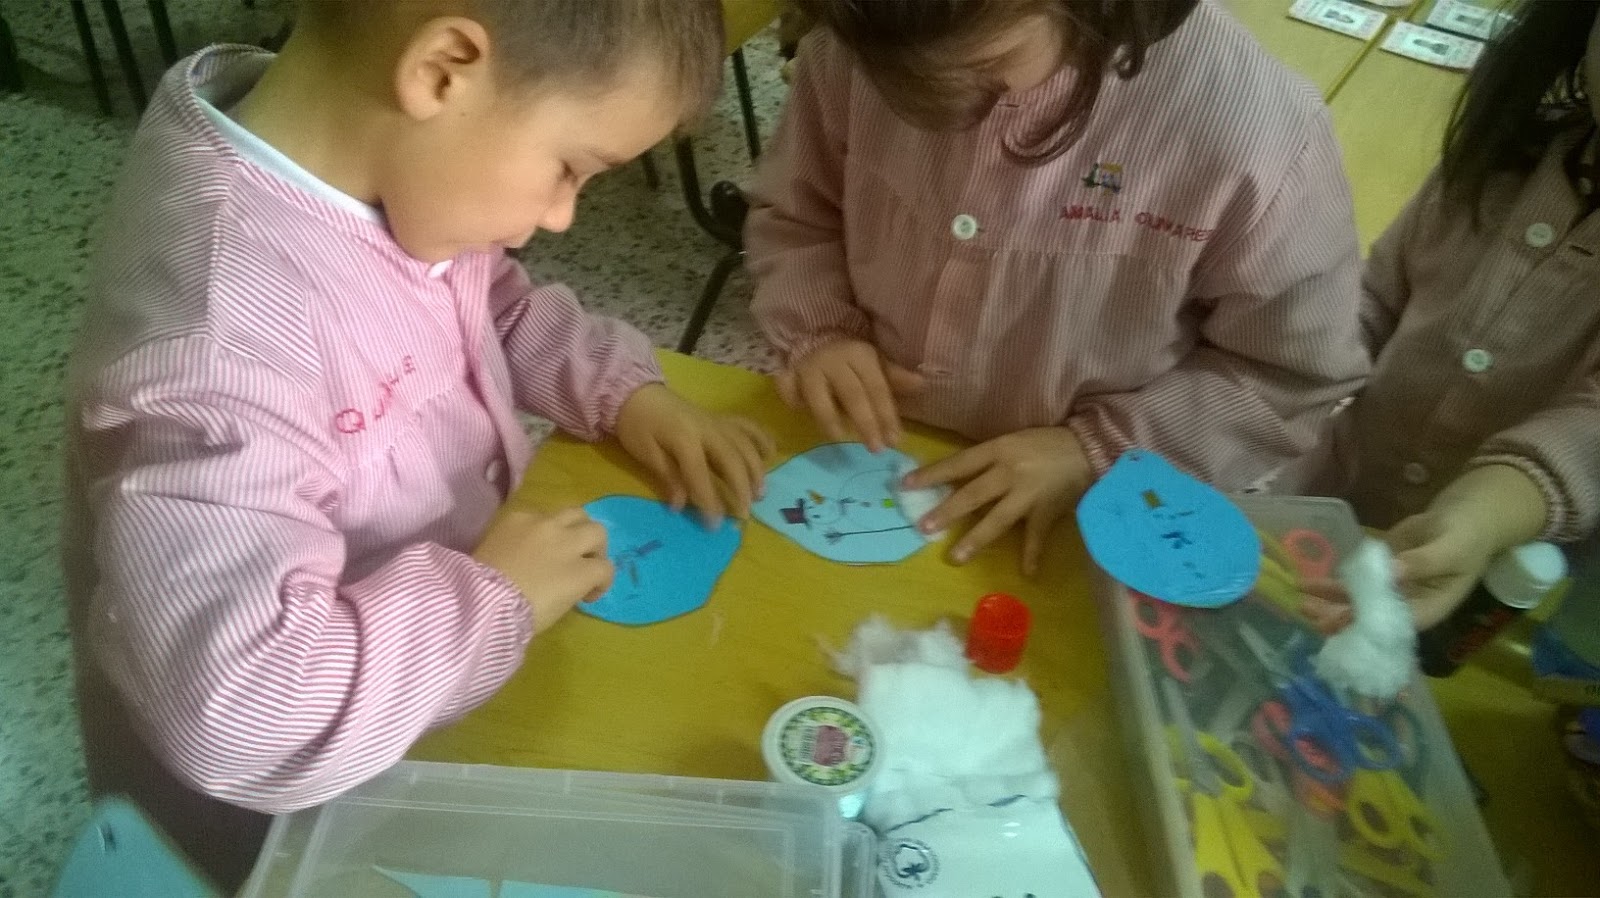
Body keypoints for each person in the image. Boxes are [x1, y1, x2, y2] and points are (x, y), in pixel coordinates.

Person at [62, 0, 767, 888]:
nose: (561, 216)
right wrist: (495, 598)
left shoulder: (356, 156)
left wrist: (623, 392)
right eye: (570, 169)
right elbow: (243, 712)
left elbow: (482, 305)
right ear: (441, 69)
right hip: (277, 813)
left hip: (417, 687)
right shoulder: (221, 352)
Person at [743, 0, 1370, 575]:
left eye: (987, 65)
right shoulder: (856, 38)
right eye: (887, 73)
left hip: (1085, 505)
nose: (922, 103)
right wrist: (821, 330)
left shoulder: (1256, 136)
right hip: (873, 457)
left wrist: (1096, 450)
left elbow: (1287, 375)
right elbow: (797, 213)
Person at [1298, 0, 1600, 632]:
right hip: (1327, 496)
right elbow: (1377, 298)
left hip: (1481, 595)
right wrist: (1281, 370)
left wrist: (1481, 517)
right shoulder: (1509, 148)